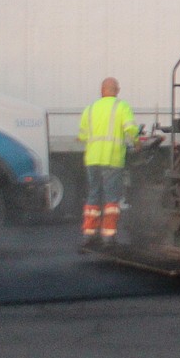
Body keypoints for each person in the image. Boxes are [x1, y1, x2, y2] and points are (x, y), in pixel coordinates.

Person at [78, 77, 140, 243]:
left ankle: (89, 234)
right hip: (112, 159)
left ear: (102, 90)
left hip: (92, 160)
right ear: (117, 90)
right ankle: (108, 236)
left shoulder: (90, 109)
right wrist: (136, 142)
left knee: (93, 196)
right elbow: (131, 129)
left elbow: (82, 135)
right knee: (111, 199)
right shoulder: (121, 106)